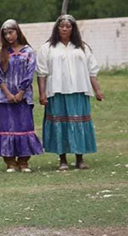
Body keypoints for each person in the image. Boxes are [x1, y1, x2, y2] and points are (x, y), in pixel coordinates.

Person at [37, 14, 104, 170]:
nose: (65, 29)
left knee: (79, 123)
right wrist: (42, 93)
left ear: (73, 29)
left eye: (68, 26)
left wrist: (98, 90)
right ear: (57, 28)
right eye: (61, 26)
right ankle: (63, 160)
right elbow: (41, 73)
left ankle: (79, 158)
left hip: (79, 91)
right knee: (61, 124)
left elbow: (92, 71)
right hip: (57, 92)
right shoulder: (47, 48)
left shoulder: (82, 47)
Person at [0, 19, 43, 173]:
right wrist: (8, 94)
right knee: (6, 128)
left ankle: (23, 161)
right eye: (5, 33)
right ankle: (10, 162)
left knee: (24, 127)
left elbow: (29, 73)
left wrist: (21, 92)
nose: (8, 36)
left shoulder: (28, 52)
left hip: (24, 98)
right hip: (4, 98)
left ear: (17, 32)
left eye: (11, 32)